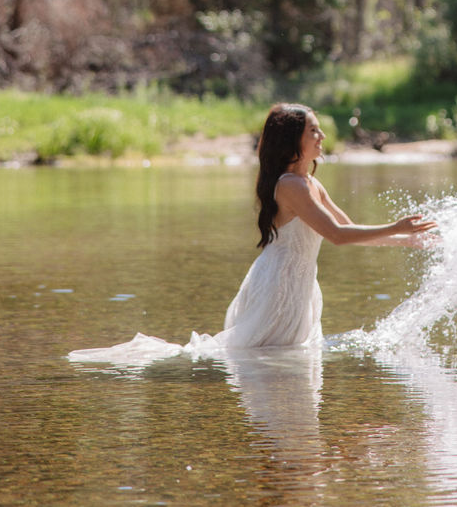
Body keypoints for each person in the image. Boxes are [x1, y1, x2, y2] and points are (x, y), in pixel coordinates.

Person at [68, 102, 435, 365]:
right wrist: (396, 226)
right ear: (295, 141)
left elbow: (350, 229)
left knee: (281, 367)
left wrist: (412, 240)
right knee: (262, 358)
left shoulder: (310, 183)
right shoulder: (291, 185)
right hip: (278, 284)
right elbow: (338, 235)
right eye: (313, 131)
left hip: (299, 285)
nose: (322, 135)